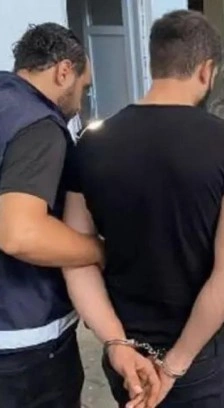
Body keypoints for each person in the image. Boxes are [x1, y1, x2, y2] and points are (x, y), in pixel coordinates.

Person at [61, 10, 224, 407]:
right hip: (199, 360)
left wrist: (116, 343)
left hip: (127, 358)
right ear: (206, 70)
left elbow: (75, 258)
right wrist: (174, 366)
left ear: (154, 64)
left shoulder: (91, 145)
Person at [0, 23, 105, 408]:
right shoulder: (39, 126)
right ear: (64, 71)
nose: (80, 101)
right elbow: (20, 234)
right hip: (23, 345)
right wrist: (98, 250)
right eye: (83, 87)